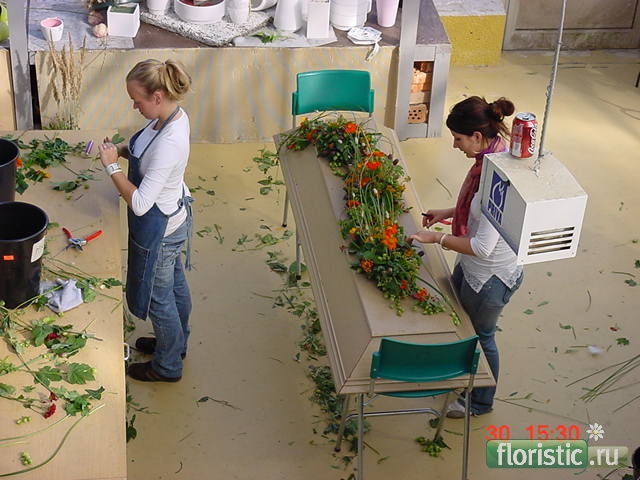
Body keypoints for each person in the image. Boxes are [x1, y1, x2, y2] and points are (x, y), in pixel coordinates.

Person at [409, 96, 524, 417]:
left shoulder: (497, 179)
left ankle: (481, 401)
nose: (454, 145)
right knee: (461, 323)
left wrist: (437, 238)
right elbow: (477, 211)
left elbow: (483, 246)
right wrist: (448, 212)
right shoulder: (489, 158)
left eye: (458, 138)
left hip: (490, 278)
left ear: (476, 136)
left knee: (482, 337)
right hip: (472, 265)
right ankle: (460, 376)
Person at [99, 59, 194, 383]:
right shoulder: (168, 116)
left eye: (137, 100)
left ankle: (167, 367)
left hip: (161, 230)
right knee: (175, 286)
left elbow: (140, 204)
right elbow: (142, 150)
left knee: (158, 298)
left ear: (157, 96)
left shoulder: (171, 141)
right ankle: (175, 345)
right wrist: (120, 150)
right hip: (174, 217)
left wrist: (111, 167)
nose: (134, 106)